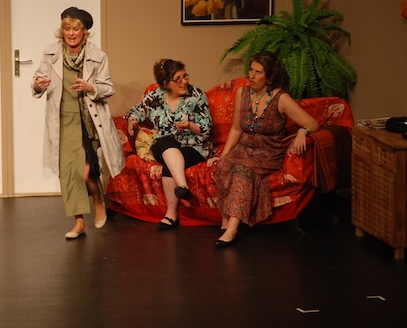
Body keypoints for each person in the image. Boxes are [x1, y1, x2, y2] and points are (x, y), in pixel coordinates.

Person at [208, 50, 320, 247]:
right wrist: (223, 155)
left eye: (258, 72)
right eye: (251, 70)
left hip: (268, 152)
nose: (252, 76)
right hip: (244, 148)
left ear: (270, 77)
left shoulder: (281, 98)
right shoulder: (242, 93)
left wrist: (303, 132)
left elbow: (313, 123)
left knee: (243, 171)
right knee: (223, 166)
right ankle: (225, 222)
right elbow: (236, 128)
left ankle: (232, 230)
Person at [32, 7, 125, 240]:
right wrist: (37, 85)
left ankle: (98, 199)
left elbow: (108, 88)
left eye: (76, 29)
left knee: (85, 172)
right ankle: (79, 221)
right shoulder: (51, 53)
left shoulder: (97, 56)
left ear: (84, 32)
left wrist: (91, 87)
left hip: (88, 121)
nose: (71, 33)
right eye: (67, 29)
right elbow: (38, 78)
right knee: (68, 173)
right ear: (62, 31)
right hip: (62, 121)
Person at [126, 59, 213, 230]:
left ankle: (171, 215)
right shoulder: (154, 96)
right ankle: (182, 186)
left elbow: (207, 127)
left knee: (170, 161)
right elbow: (136, 111)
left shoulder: (196, 95)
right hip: (164, 145)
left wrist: (189, 126)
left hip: (193, 147)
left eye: (185, 76)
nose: (184, 81)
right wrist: (133, 121)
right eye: (178, 79)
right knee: (167, 142)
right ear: (166, 83)